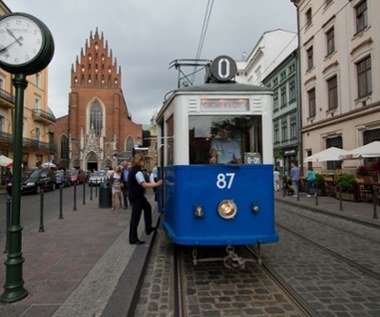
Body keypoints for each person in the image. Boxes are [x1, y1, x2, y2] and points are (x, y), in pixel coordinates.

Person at [128, 153, 163, 245]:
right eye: (143, 161)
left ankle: (148, 228)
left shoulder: (133, 171)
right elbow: (143, 184)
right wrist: (157, 184)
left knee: (147, 207)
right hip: (137, 197)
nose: (144, 162)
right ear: (140, 161)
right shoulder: (138, 172)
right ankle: (133, 239)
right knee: (136, 217)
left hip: (136, 196)